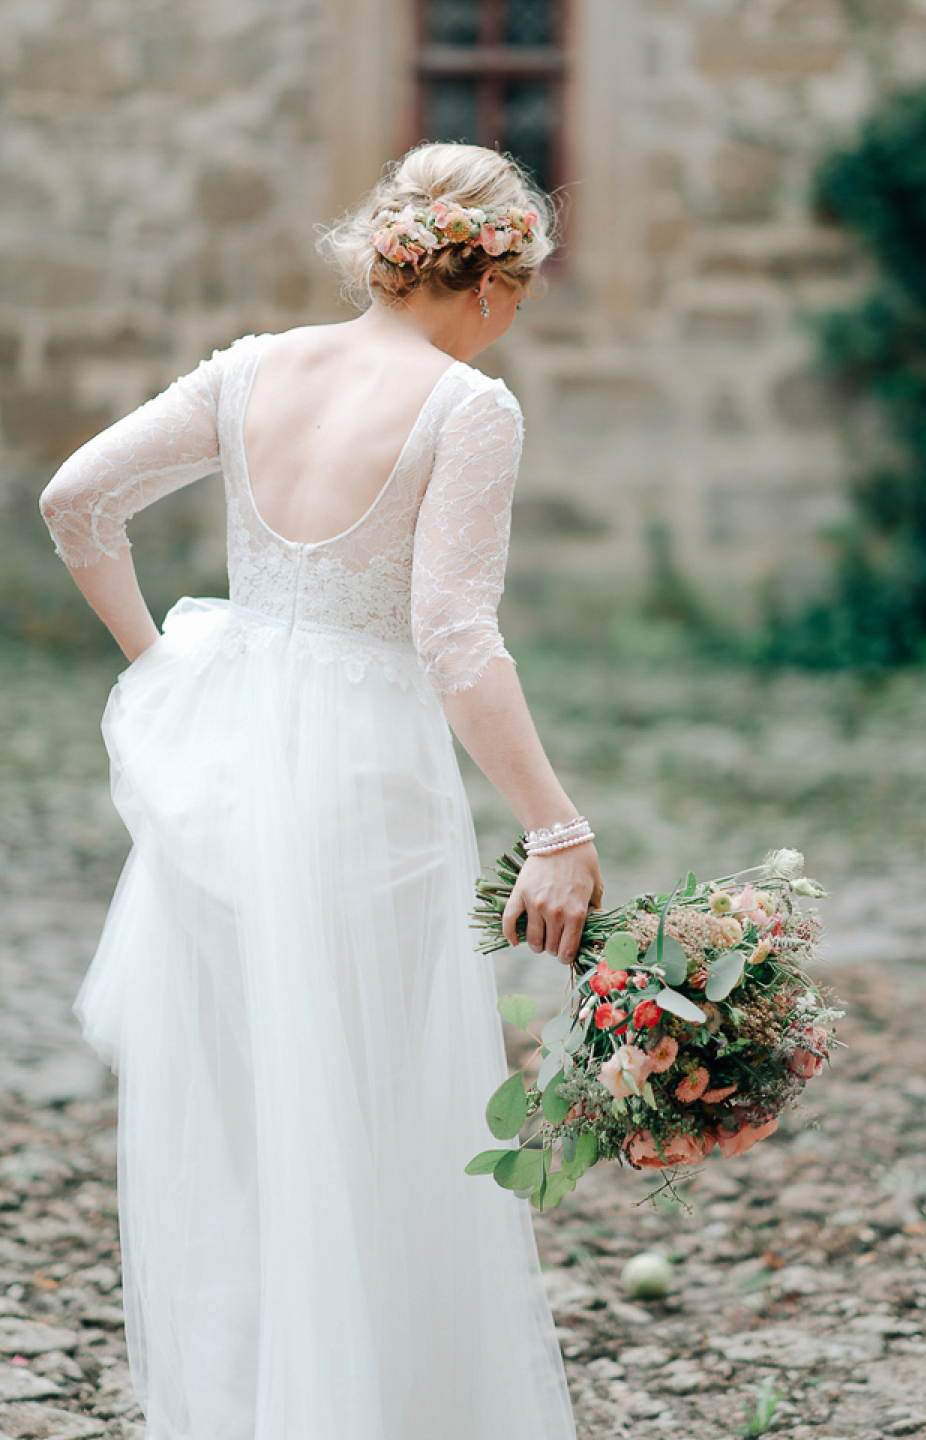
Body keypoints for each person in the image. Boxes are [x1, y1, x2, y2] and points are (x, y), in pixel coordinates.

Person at [38, 141, 603, 1440]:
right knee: (375, 1120)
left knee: (247, 1125)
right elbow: (456, 638)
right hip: (366, 781)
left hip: (226, 767)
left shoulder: (251, 369)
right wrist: (554, 829)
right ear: (495, 278)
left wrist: (168, 669)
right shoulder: (471, 408)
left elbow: (78, 503)